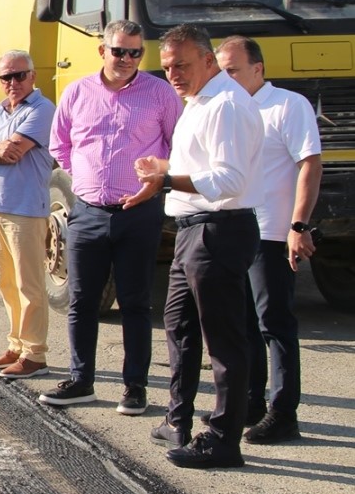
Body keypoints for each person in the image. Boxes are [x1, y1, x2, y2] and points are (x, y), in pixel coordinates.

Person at [129, 24, 263, 469]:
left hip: (219, 230)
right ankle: (178, 418)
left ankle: (225, 439)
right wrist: (164, 170)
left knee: (223, 339)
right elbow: (199, 168)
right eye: (166, 67)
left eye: (182, 65)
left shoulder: (225, 105)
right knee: (179, 327)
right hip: (193, 228)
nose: (173, 75)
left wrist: (165, 179)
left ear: (209, 59)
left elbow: (229, 181)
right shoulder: (199, 103)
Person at [39, 21, 182, 416]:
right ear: (102, 51)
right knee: (82, 301)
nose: (126, 59)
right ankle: (81, 380)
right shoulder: (78, 92)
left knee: (135, 303)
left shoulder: (160, 94)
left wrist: (154, 181)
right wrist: (87, 180)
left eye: (135, 53)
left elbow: (178, 145)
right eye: (119, 51)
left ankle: (135, 387)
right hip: (87, 212)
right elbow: (61, 144)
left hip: (139, 213)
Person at [215, 35, 321, 445]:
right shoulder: (228, 109)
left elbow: (309, 164)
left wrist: (299, 226)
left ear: (258, 69)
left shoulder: (287, 106)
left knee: (274, 324)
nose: (225, 78)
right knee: (242, 325)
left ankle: (283, 412)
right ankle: (251, 402)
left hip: (273, 233)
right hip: (235, 231)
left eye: (233, 70)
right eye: (221, 70)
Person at [0, 51, 56, 380]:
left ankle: (35, 354)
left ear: (33, 76)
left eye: (19, 75)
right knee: (6, 283)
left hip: (27, 209)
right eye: (6, 77)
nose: (13, 83)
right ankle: (16, 345)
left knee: (29, 284)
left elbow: (14, 152)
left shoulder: (43, 110)